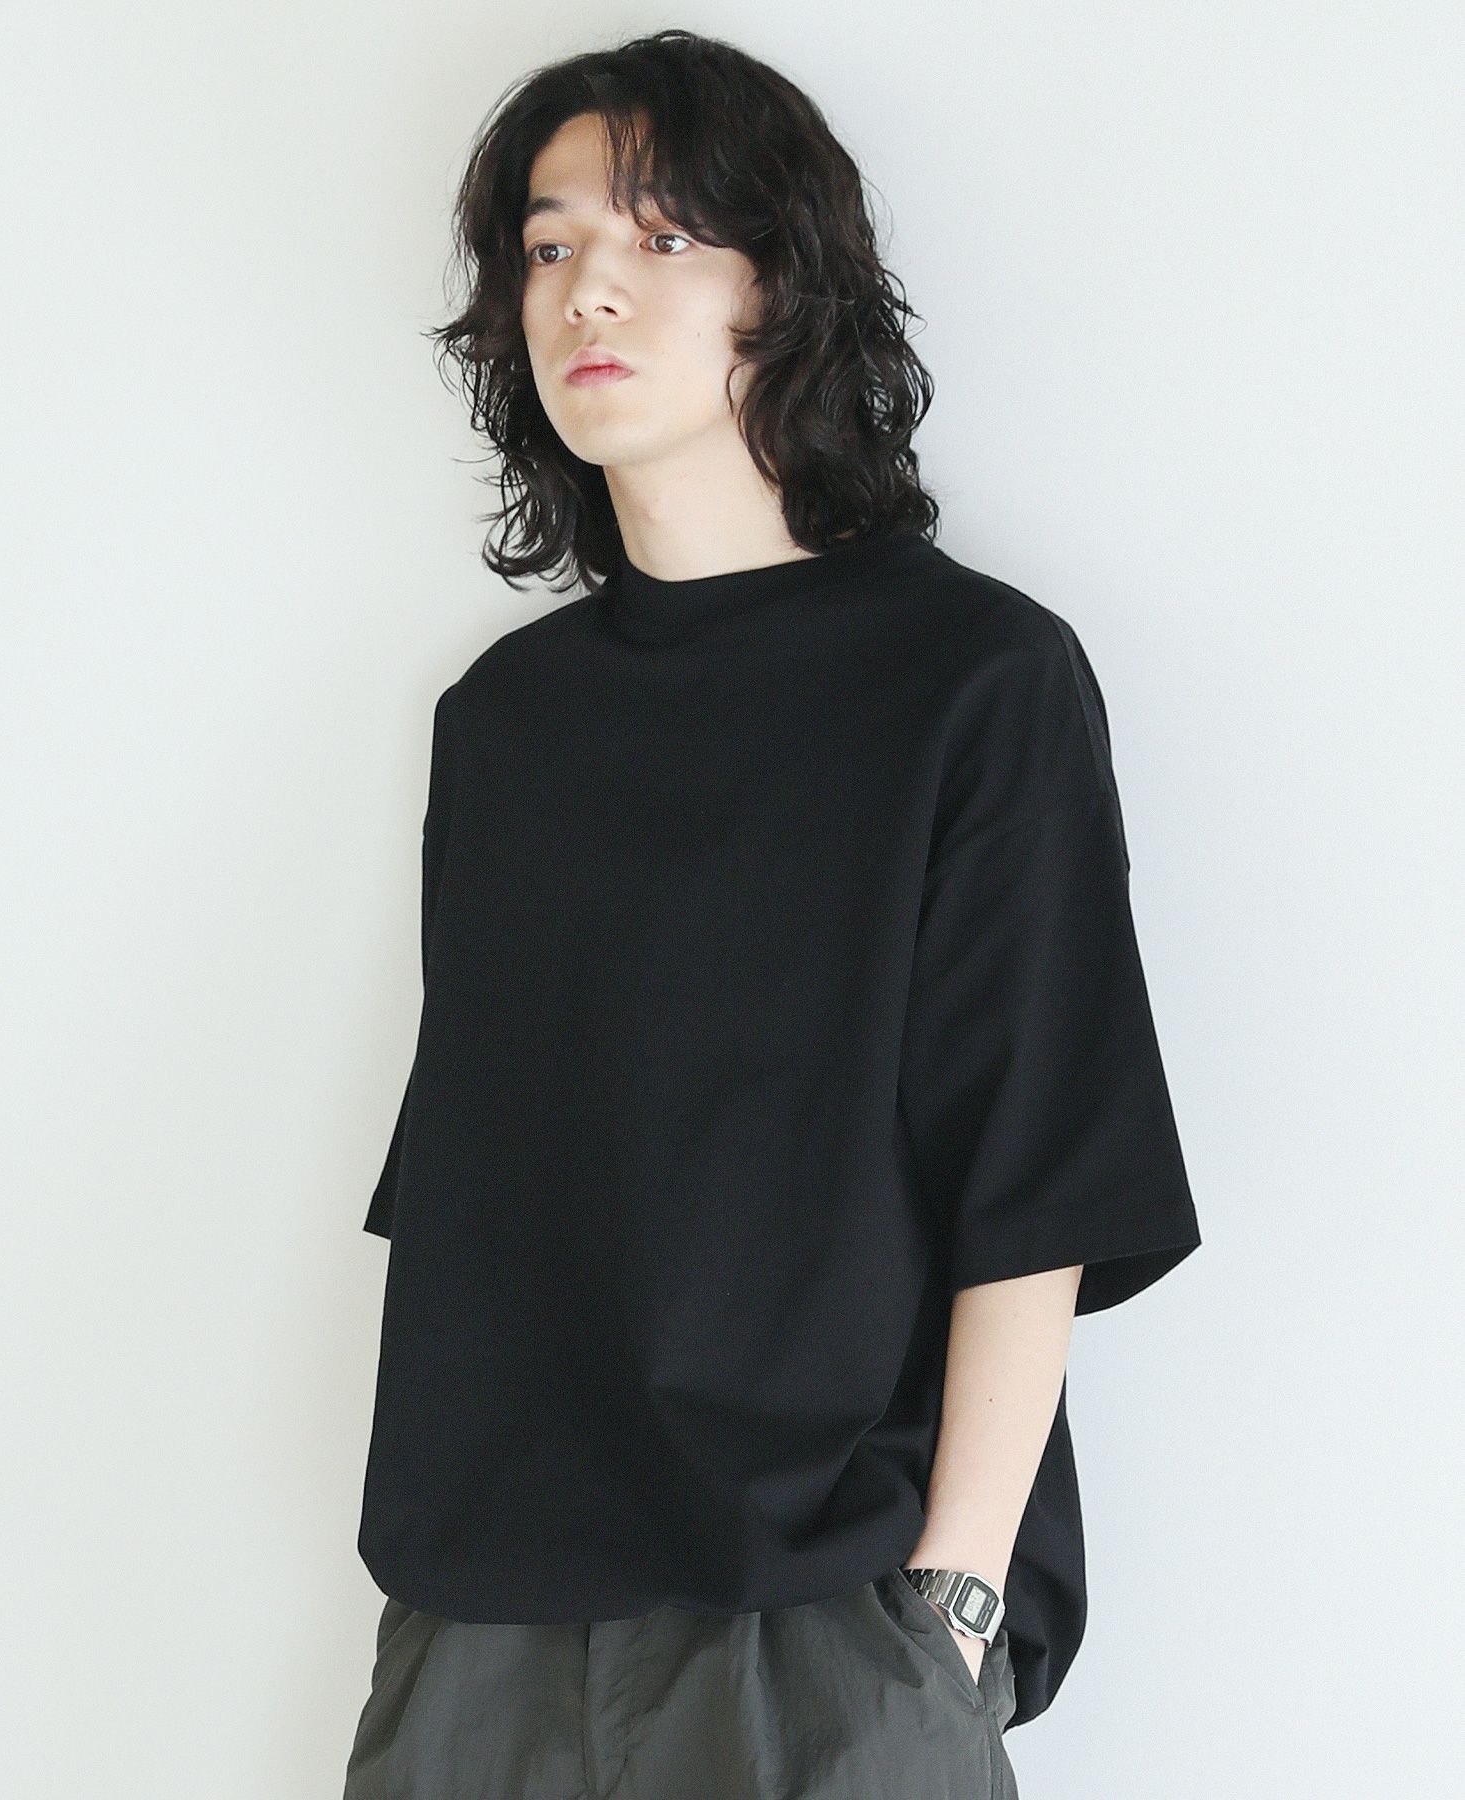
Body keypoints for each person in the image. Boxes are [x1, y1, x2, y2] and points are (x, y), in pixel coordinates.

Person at [343, 29, 1201, 1800]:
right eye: (552, 243)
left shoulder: (974, 682)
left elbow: (1038, 1176)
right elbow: (485, 1192)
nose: (589, 289)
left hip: (831, 1625)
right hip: (484, 1628)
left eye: (663, 238)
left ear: (785, 290)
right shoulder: (505, 723)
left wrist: (952, 1604)